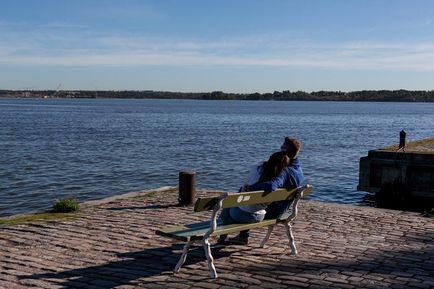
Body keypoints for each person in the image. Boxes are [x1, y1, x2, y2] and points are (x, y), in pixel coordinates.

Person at [226, 136, 304, 245]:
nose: (280, 149)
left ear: (285, 150)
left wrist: (250, 188)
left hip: (272, 211)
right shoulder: (299, 170)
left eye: (282, 147)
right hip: (284, 208)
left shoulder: (285, 171)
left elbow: (272, 186)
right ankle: (241, 236)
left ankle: (240, 236)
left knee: (242, 202)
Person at [216, 151, 290, 245]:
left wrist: (250, 188)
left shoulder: (256, 169)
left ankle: (221, 238)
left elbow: (244, 187)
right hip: (260, 216)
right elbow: (271, 186)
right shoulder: (279, 177)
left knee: (228, 204)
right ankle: (242, 236)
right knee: (245, 205)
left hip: (241, 215)